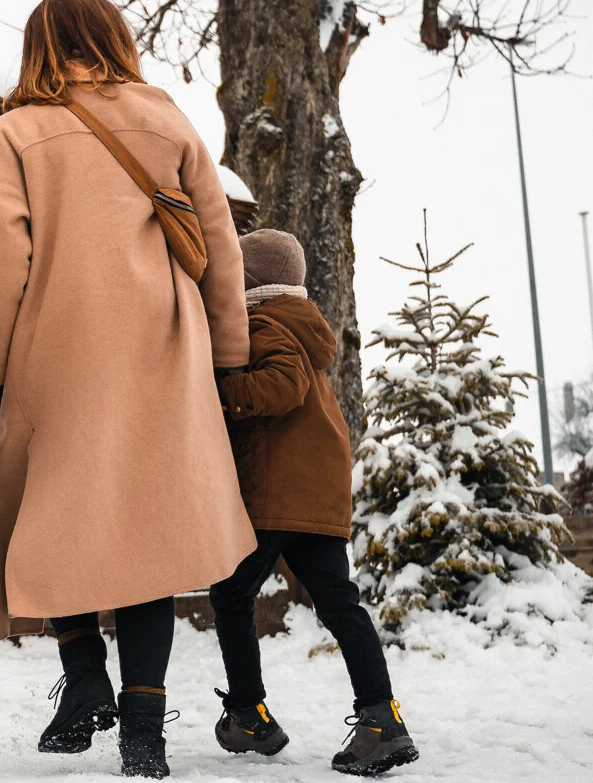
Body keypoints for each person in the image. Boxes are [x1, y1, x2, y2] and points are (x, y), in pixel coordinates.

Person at [0, 0, 257, 779]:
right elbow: (220, 244)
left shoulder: (16, 132)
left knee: (50, 510)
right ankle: (144, 731)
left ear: (38, 47)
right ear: (114, 39)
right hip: (165, 345)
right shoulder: (166, 119)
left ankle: (86, 674)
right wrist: (227, 355)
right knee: (146, 526)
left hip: (56, 347)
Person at [207, 229, 418, 777]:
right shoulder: (304, 325)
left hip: (275, 493)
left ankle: (249, 715)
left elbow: (283, 385)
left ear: (247, 279)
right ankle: (382, 718)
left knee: (231, 595)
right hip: (320, 495)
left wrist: (219, 396)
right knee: (341, 605)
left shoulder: (263, 323)